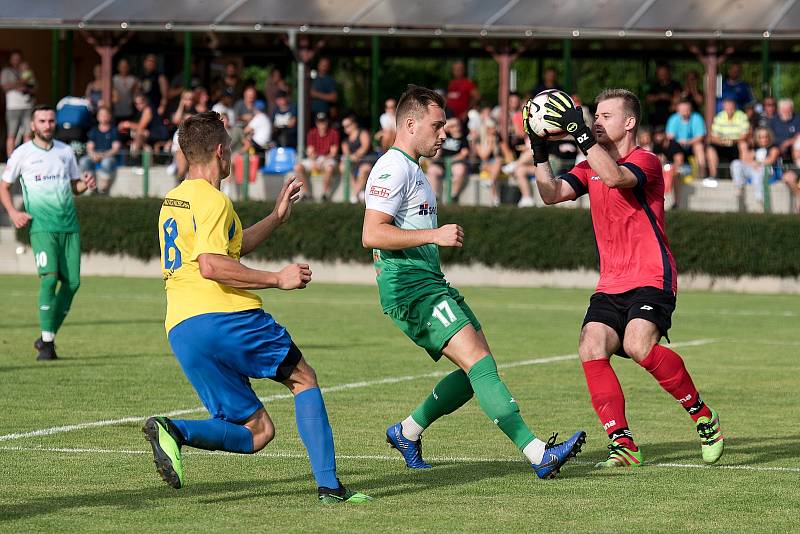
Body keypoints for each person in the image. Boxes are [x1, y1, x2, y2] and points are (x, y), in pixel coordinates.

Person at [146, 111, 370, 504]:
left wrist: (276, 218)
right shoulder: (213, 200)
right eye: (230, 148)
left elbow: (229, 248)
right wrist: (277, 278)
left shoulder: (174, 200)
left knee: (258, 432)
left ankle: (174, 430)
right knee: (303, 379)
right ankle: (330, 486)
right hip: (226, 316)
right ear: (220, 150)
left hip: (183, 329)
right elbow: (213, 265)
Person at [362, 85, 585, 479]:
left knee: (477, 372)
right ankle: (538, 454)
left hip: (428, 282)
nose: (444, 134)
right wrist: (434, 235)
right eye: (437, 126)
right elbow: (372, 234)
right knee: (481, 367)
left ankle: (406, 431)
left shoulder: (412, 167)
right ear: (410, 124)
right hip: (410, 288)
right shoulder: (392, 167)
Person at [526, 88, 724, 468]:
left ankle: (703, 416)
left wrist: (580, 134)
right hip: (611, 282)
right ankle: (624, 444)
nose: (596, 122)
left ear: (629, 122)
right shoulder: (588, 166)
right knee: (591, 345)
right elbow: (550, 194)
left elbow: (615, 177)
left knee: (638, 344)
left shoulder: (646, 160)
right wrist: (539, 152)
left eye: (606, 116)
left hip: (652, 275)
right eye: (594, 116)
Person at [0, 105, 96, 360]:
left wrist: (84, 185)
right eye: (41, 120)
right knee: (50, 279)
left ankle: (46, 338)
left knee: (73, 283)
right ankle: (48, 344)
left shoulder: (65, 152)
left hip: (69, 225)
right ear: (33, 125)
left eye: (51, 120)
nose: (47, 124)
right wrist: (13, 213)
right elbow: (4, 186)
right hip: (42, 227)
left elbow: (74, 186)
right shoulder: (22, 153)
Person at [730, 127, 780, 210]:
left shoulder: (773, 148)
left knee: (758, 173)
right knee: (736, 163)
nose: (763, 139)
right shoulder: (756, 149)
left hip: (767, 171)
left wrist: (758, 163)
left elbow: (770, 160)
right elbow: (744, 159)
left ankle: (760, 201)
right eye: (760, 137)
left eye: (765, 137)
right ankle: (739, 187)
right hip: (754, 169)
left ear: (769, 137)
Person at [293, 112, 339, 201]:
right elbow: (310, 151)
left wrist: (322, 161)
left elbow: (333, 153)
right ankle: (307, 194)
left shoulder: (333, 133)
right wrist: (314, 161)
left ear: (327, 122)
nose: (322, 124)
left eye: (323, 121)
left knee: (329, 168)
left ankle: (325, 195)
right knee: (298, 167)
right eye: (319, 122)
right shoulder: (312, 133)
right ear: (316, 123)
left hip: (328, 159)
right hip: (315, 158)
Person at [2, 50, 35, 158]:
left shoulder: (27, 71)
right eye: (14, 58)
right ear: (11, 60)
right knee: (12, 134)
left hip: (27, 106)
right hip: (13, 107)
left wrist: (25, 88)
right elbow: (4, 86)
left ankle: (27, 159)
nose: (17, 61)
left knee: (28, 134)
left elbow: (35, 88)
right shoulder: (6, 72)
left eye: (18, 58)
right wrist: (21, 82)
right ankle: (10, 159)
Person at [80, 106, 121, 194]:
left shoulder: (113, 130)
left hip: (109, 156)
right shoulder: (94, 131)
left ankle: (103, 189)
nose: (103, 117)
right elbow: (89, 147)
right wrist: (93, 155)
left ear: (110, 117)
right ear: (98, 117)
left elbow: (115, 149)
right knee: (84, 161)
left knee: (106, 162)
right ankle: (92, 186)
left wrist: (103, 156)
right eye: (101, 115)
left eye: (106, 115)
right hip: (95, 155)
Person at [707, 97, 750, 181]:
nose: (729, 109)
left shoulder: (742, 116)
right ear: (724, 108)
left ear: (735, 107)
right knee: (710, 149)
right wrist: (722, 142)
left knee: (743, 145)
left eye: (731, 107)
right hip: (722, 144)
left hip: (736, 143)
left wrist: (733, 141)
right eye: (727, 107)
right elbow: (713, 136)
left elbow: (745, 135)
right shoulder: (719, 116)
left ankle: (743, 175)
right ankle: (713, 175)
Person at [427, 118, 470, 201]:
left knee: (460, 170)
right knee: (432, 170)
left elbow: (464, 153)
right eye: (451, 126)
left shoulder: (463, 138)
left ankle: (453, 195)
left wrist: (451, 160)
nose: (453, 128)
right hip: (441, 162)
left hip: (455, 162)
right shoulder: (444, 136)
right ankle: (434, 196)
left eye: (455, 126)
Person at [339, 115, 376, 203]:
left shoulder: (363, 133)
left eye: (348, 125)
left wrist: (355, 155)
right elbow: (346, 153)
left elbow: (365, 147)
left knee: (364, 169)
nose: (345, 128)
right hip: (354, 162)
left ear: (354, 124)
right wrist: (352, 157)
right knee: (343, 167)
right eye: (344, 126)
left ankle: (355, 194)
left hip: (368, 159)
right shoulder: (345, 141)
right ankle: (358, 193)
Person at [665, 100, 707, 177]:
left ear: (690, 109)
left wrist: (688, 142)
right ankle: (677, 176)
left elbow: (701, 136)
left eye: (686, 109)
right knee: (675, 149)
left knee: (699, 146)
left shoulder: (697, 118)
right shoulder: (673, 119)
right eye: (682, 109)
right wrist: (680, 142)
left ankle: (701, 175)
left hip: (692, 145)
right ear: (678, 110)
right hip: (678, 145)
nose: (684, 111)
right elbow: (670, 136)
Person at [645, 63, 681, 128]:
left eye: (664, 72)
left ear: (668, 73)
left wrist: (668, 98)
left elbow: (678, 99)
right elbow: (648, 99)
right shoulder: (654, 85)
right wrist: (659, 97)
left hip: (671, 115)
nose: (662, 75)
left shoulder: (675, 85)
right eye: (660, 73)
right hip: (657, 116)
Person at [112, 58, 139, 122]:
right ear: (118, 67)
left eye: (125, 66)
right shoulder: (113, 79)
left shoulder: (133, 79)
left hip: (129, 111)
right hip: (116, 111)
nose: (123, 68)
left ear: (128, 67)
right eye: (122, 66)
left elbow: (136, 94)